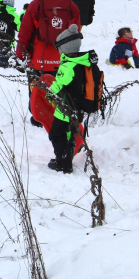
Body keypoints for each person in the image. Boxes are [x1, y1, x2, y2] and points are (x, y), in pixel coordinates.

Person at [17, 0, 81, 129]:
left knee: (38, 88)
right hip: (63, 59)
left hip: (38, 60)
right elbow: (76, 32)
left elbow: (24, 34)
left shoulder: (34, 5)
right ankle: (61, 115)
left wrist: (20, 54)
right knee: (60, 87)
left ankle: (38, 118)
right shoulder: (72, 6)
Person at [46, 25, 93, 174]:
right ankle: (66, 161)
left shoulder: (67, 66)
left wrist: (47, 92)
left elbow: (58, 86)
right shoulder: (83, 62)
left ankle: (62, 163)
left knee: (56, 134)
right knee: (69, 134)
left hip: (66, 107)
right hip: (79, 106)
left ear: (64, 48)